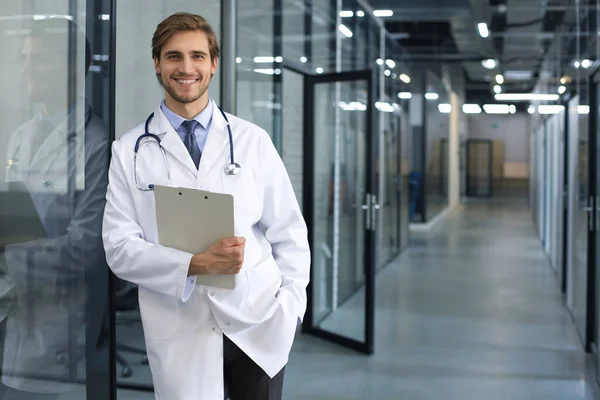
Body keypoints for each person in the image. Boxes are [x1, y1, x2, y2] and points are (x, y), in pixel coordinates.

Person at [102, 12, 310, 400]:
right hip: (181, 328)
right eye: (173, 56)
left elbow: (289, 232)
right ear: (157, 64)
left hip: (260, 321)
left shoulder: (252, 140)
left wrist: (291, 308)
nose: (186, 68)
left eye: (197, 56)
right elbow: (118, 248)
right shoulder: (128, 151)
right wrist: (196, 265)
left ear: (213, 64)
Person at [0, 16, 110, 399]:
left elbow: (87, 248)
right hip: (14, 305)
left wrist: (8, 255)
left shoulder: (97, 144)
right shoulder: (20, 136)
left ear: (70, 67)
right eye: (25, 58)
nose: (26, 69)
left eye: (39, 59)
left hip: (61, 318)